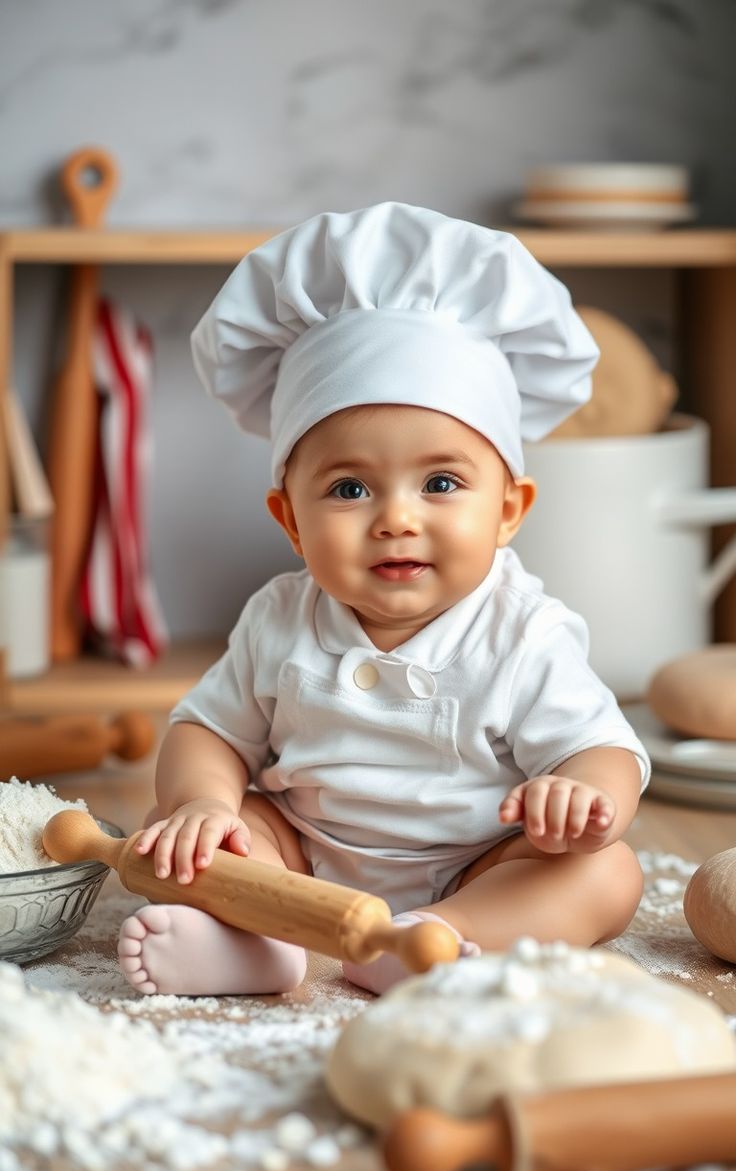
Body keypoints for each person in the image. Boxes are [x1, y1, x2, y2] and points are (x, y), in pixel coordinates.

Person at [117, 202, 649, 999]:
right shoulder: (278, 617)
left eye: (441, 482)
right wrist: (204, 801)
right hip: (300, 857)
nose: (396, 516)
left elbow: (605, 748)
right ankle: (260, 948)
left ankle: (440, 938)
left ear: (508, 509)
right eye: (350, 486)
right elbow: (209, 730)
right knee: (183, 844)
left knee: (609, 874)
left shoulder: (523, 631)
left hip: (482, 863)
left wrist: (584, 794)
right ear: (291, 519)